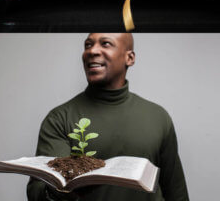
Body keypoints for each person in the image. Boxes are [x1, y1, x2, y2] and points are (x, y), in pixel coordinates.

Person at [26, 33, 189, 201]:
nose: (92, 51)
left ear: (129, 58)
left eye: (105, 44)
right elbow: (37, 191)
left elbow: (176, 191)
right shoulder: (59, 118)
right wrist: (57, 191)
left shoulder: (157, 116)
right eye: (88, 45)